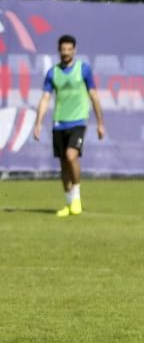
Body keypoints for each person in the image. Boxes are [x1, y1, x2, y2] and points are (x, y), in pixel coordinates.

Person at [32, 34, 106, 217]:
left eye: (69, 49)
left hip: (78, 121)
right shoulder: (53, 73)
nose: (65, 53)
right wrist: (38, 123)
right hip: (59, 123)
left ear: (74, 50)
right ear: (59, 51)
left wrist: (100, 123)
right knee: (63, 164)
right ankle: (68, 203)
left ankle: (77, 198)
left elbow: (94, 95)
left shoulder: (83, 69)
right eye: (62, 49)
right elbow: (45, 98)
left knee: (71, 156)